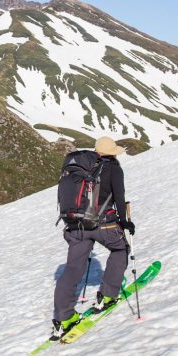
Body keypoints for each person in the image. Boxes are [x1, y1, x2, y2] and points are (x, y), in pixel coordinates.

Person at [52, 136, 136, 339]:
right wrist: (125, 222)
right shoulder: (113, 168)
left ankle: (64, 318)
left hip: (75, 225)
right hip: (103, 224)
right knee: (119, 250)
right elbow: (119, 197)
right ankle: (107, 295)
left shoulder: (79, 169)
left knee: (72, 269)